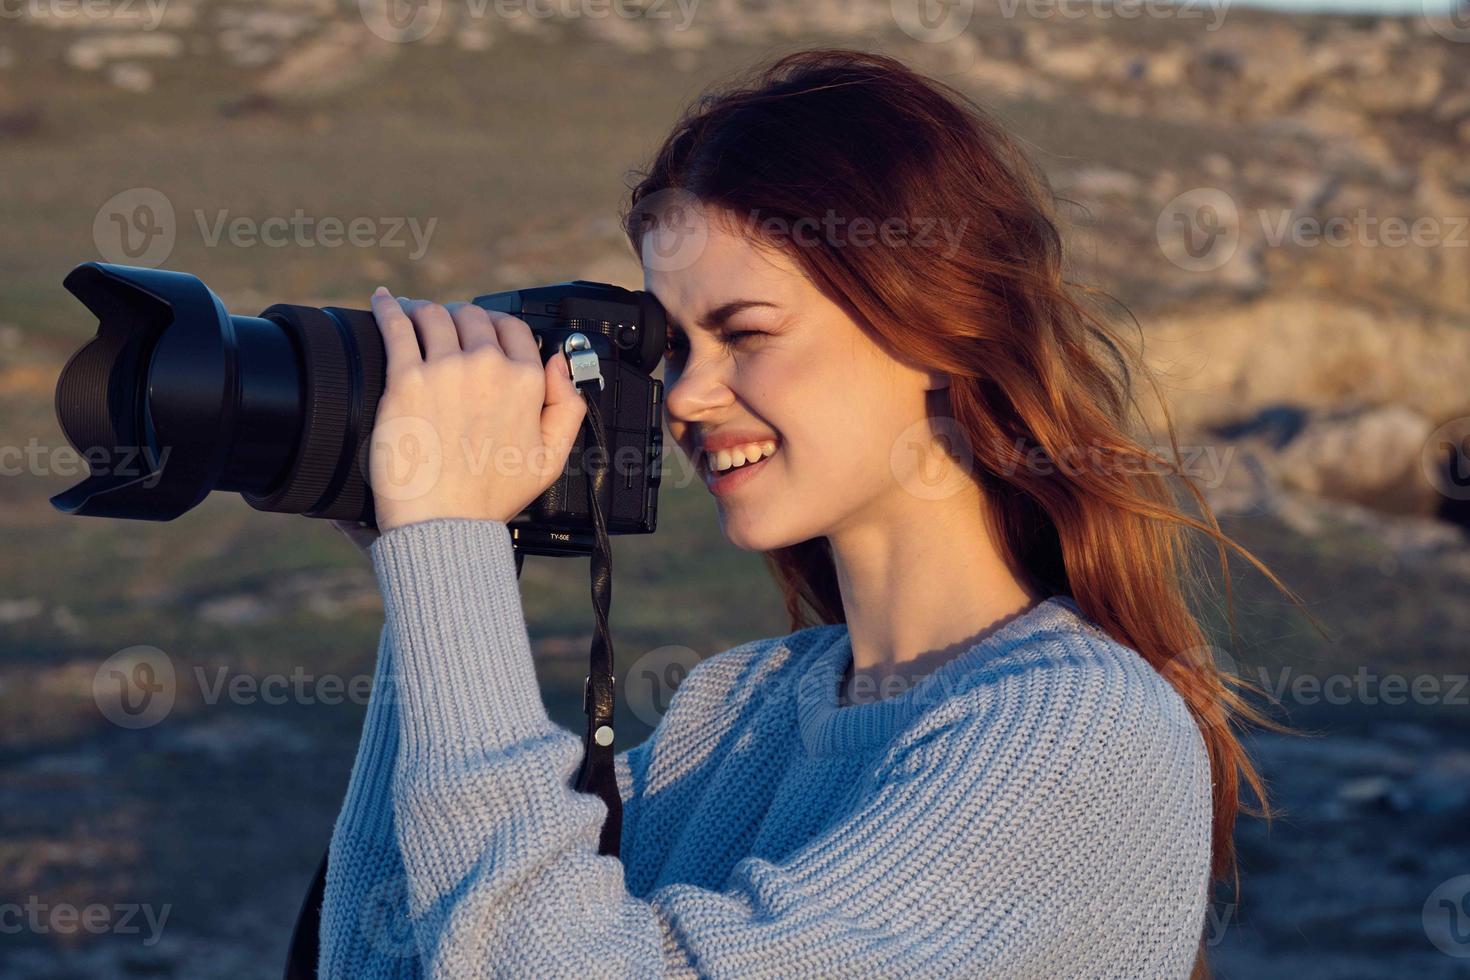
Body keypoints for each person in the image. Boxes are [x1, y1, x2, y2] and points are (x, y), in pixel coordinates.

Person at [318, 48, 1315, 978]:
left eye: (744, 331)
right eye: (674, 348)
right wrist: (432, 580)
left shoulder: (1075, 727)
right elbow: (391, 958)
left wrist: (450, 549)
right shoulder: (739, 707)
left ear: (935, 323)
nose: (684, 396)